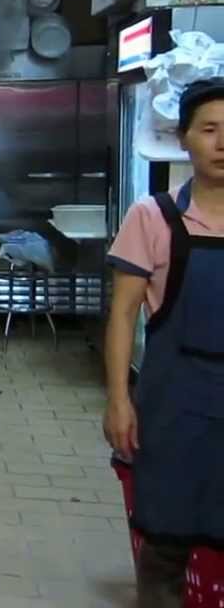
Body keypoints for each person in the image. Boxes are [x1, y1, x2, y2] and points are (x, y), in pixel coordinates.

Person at [104, 78, 224, 608]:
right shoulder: (153, 217)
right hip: (174, 401)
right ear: (184, 139)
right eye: (209, 129)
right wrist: (118, 400)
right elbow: (124, 313)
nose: (222, 142)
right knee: (165, 545)